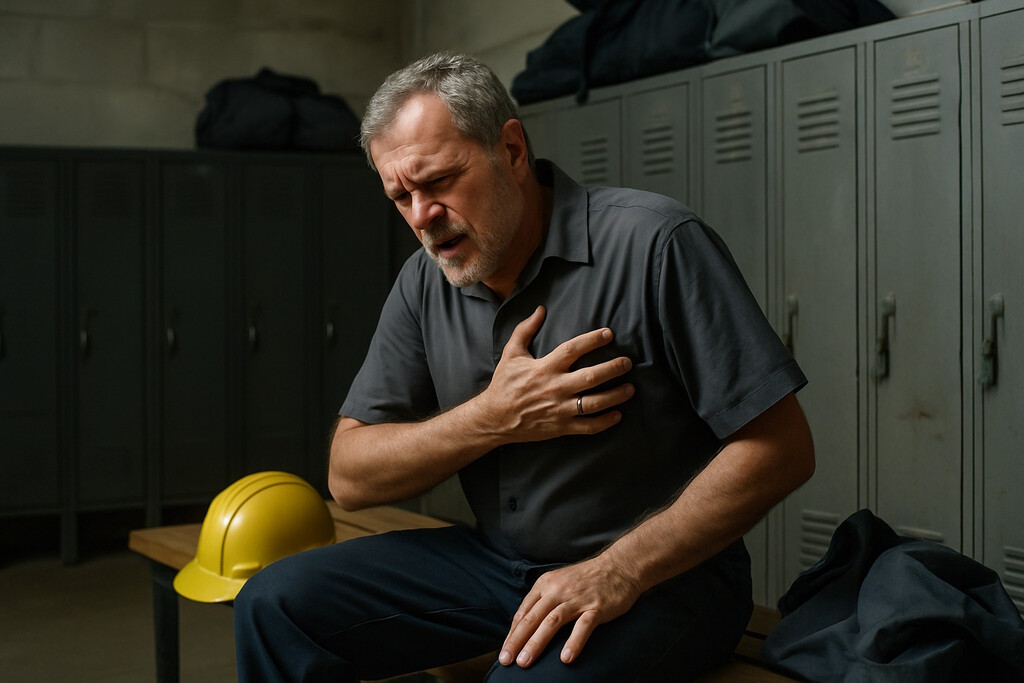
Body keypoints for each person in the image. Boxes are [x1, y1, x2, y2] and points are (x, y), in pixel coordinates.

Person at [234, 52, 815, 682]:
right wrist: (491, 418)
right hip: (498, 567)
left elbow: (781, 448)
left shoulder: (655, 243)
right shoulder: (423, 284)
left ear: (510, 149)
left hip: (664, 580)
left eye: (439, 182)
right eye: (400, 196)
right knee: (272, 605)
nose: (422, 216)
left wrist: (619, 569)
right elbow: (349, 476)